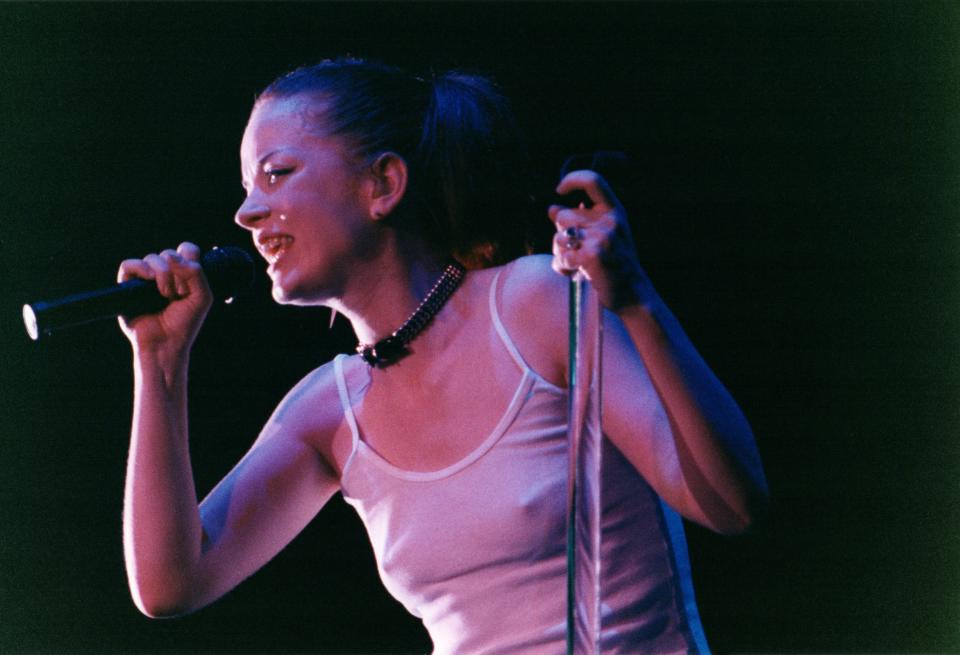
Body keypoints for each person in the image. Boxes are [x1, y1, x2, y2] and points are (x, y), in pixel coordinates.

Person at [118, 57, 768, 653]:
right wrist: (160, 362)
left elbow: (732, 504)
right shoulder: (327, 410)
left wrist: (635, 301)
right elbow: (171, 583)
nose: (246, 213)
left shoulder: (536, 303)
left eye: (276, 173)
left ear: (384, 183)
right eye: (245, 185)